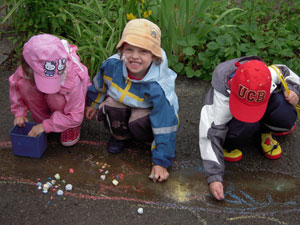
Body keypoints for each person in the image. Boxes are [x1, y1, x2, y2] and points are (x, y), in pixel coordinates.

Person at [85, 18, 179, 183]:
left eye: (143, 51)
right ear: (121, 50)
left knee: (138, 119)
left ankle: (146, 140)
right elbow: (100, 85)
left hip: (146, 113)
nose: (135, 57)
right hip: (123, 103)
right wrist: (94, 103)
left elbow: (165, 124)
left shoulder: (158, 87)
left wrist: (161, 162)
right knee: (109, 106)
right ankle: (120, 136)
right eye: (129, 49)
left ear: (154, 55)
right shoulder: (112, 65)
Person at [199, 56, 299, 200]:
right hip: (234, 123)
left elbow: (285, 71)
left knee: (285, 112)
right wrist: (214, 176)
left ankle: (264, 132)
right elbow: (209, 135)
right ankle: (230, 144)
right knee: (245, 125)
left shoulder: (265, 76)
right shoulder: (219, 99)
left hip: (260, 105)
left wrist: (293, 89)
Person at [9, 34, 90, 146]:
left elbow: (76, 116)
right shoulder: (29, 65)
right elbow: (15, 85)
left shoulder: (73, 77)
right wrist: (19, 113)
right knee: (25, 85)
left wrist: (46, 126)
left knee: (56, 98)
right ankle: (45, 120)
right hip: (50, 95)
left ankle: (64, 124)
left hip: (68, 100)